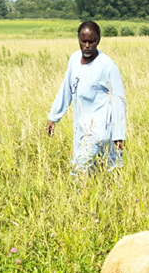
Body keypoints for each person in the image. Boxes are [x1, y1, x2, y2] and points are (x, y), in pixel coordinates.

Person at [46, 21, 127, 174]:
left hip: (100, 130)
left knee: (80, 169)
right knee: (97, 172)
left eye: (92, 41)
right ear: (78, 40)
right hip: (81, 129)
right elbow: (66, 89)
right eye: (84, 41)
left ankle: (78, 197)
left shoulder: (107, 66)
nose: (87, 45)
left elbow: (119, 101)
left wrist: (119, 134)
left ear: (99, 40)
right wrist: (53, 117)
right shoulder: (74, 60)